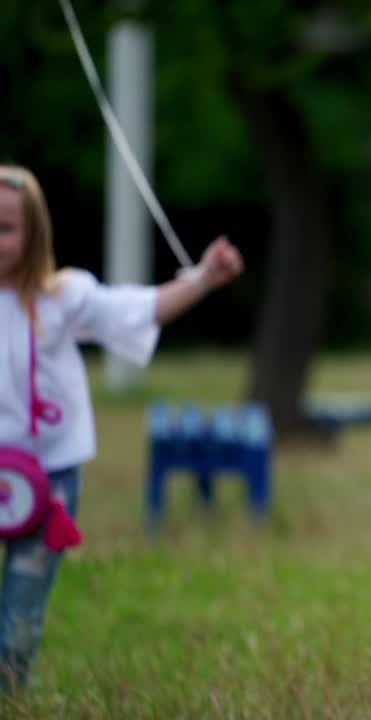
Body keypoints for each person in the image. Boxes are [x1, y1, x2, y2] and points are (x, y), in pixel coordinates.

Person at [0, 164, 244, 690]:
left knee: (19, 617)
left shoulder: (60, 298)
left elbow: (135, 309)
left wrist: (202, 278)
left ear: (34, 233)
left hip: (48, 481)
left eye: (6, 228)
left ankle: (10, 696)